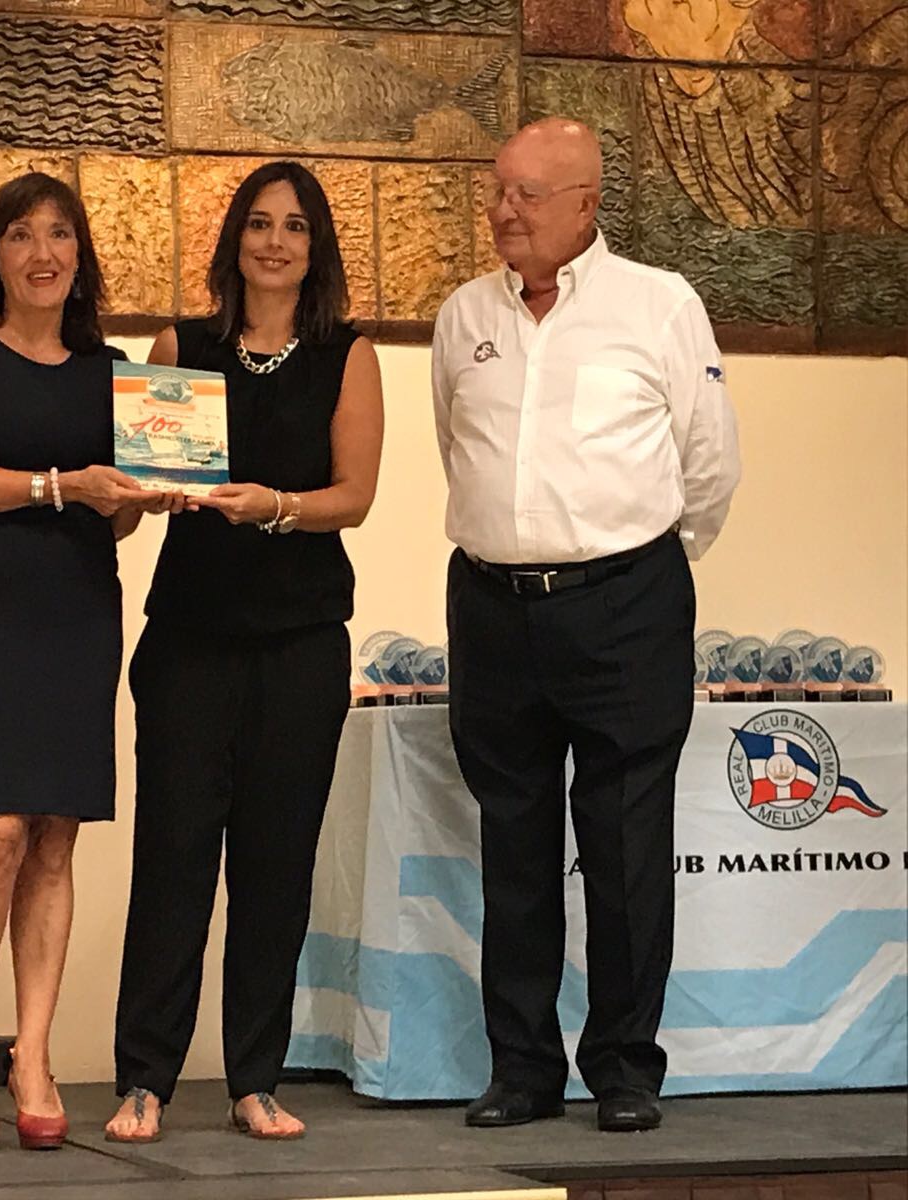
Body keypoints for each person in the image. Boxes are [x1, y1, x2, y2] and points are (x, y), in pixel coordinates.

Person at [430, 117, 741, 1133]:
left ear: (585, 204)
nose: (503, 210)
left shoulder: (660, 304)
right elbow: (457, 448)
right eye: (497, 190)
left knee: (624, 845)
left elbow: (708, 464)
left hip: (625, 606)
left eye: (526, 194)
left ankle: (623, 1070)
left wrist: (631, 568)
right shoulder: (463, 315)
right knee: (513, 843)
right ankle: (522, 1072)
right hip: (493, 607)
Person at [105, 161, 385, 1143]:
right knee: (172, 859)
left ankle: (255, 1079)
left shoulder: (348, 354)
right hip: (188, 640)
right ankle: (144, 1079)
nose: (275, 242)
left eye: (295, 227)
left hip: (301, 645)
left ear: (317, 249)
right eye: (259, 223)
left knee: (275, 866)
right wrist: (138, 493)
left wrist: (276, 507)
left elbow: (354, 496)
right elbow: (136, 497)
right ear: (234, 240)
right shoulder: (181, 346)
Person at [0, 172, 172, 1153]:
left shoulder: (111, 372)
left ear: (81, 256)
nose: (42, 252)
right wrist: (60, 485)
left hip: (77, 611)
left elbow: (118, 513)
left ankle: (35, 1055)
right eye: (20, 234)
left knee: (54, 837)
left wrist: (142, 497)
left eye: (60, 234)